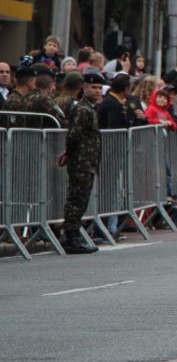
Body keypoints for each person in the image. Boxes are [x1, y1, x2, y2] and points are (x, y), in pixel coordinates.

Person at [58, 70, 104, 254]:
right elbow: (74, 134)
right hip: (81, 162)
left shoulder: (91, 108)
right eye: (93, 87)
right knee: (76, 200)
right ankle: (71, 238)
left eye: (100, 88)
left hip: (88, 161)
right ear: (84, 88)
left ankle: (74, 235)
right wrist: (69, 153)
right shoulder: (83, 109)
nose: (97, 91)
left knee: (82, 200)